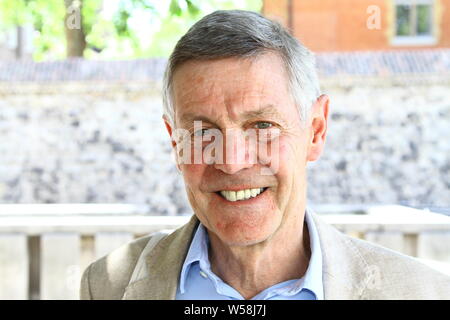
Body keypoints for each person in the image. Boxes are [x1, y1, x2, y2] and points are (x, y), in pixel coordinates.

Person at [80, 10, 450, 300]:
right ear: (175, 143)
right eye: (201, 131)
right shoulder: (107, 286)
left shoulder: (422, 293)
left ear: (316, 130)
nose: (232, 161)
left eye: (261, 125)